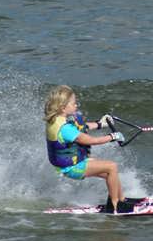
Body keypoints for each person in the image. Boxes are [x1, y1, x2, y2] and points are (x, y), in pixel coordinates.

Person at [43, 85, 133, 214]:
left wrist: (100, 124)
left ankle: (121, 199)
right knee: (112, 167)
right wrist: (112, 137)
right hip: (71, 168)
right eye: (73, 103)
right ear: (63, 107)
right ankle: (116, 206)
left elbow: (82, 127)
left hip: (70, 164)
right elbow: (91, 140)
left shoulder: (56, 120)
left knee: (109, 173)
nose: (76, 105)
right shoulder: (65, 129)